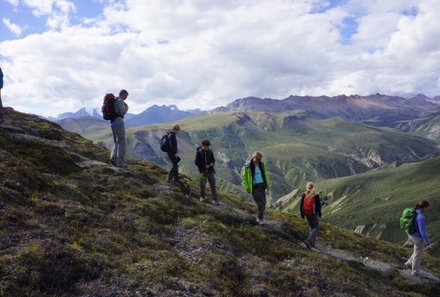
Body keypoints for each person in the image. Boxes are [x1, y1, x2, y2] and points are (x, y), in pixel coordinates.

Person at [242, 151, 270, 224]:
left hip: (262, 185)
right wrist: (246, 187)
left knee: (264, 203)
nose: (258, 161)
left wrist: (267, 185)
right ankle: (259, 218)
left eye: (260, 159)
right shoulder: (247, 166)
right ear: (253, 158)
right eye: (257, 159)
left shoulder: (261, 164)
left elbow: (265, 174)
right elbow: (244, 177)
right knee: (260, 203)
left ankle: (261, 217)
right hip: (254, 187)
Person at [405, 200, 431, 276]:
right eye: (427, 207)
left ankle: (409, 263)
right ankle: (415, 271)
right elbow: (422, 231)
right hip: (417, 237)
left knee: (416, 251)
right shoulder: (421, 216)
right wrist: (426, 241)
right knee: (418, 254)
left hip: (411, 234)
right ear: (424, 207)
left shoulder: (414, 212)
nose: (427, 209)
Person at [195, 139, 219, 204]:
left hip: (210, 171)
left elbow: (213, 159)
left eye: (207, 146)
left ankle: (215, 199)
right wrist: (204, 166)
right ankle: (202, 197)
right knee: (202, 185)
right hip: (202, 171)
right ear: (202, 145)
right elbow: (196, 162)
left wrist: (212, 163)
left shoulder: (210, 152)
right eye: (205, 146)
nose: (206, 148)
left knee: (213, 185)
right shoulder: (199, 153)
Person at [110, 89, 129, 167]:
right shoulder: (120, 101)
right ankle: (120, 163)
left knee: (117, 141)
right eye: (126, 96)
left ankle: (113, 158)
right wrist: (126, 107)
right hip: (118, 121)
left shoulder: (114, 100)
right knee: (122, 141)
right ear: (122, 94)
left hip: (112, 122)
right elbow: (122, 112)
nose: (126, 98)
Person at [300, 182, 322, 249]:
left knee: (311, 227)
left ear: (306, 187)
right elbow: (318, 205)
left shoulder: (304, 194)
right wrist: (319, 213)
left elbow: (301, 205)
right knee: (316, 228)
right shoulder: (315, 195)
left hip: (306, 213)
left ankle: (311, 243)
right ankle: (308, 242)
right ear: (313, 187)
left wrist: (302, 214)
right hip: (313, 213)